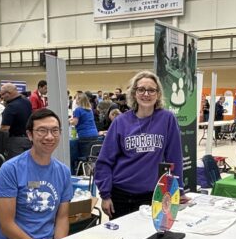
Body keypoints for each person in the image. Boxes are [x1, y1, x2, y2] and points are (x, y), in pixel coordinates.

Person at [94, 71, 182, 219]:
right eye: (141, 89)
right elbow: (104, 161)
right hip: (121, 195)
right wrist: (105, 195)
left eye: (151, 90)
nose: (146, 94)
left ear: (158, 94)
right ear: (134, 93)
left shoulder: (167, 119)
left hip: (152, 196)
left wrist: (178, 190)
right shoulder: (120, 122)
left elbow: (175, 158)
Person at [0, 109, 72, 239]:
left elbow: (62, 218)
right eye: (42, 131)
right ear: (30, 135)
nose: (49, 137)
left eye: (54, 131)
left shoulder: (63, 172)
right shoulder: (11, 169)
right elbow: (6, 224)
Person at [0, 83, 33, 157]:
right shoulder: (27, 101)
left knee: (16, 165)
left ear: (9, 93)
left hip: (16, 141)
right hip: (29, 138)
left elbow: (5, 128)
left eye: (2, 95)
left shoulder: (11, 106)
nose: (2, 97)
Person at [69, 92, 100, 167]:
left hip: (84, 135)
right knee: (91, 156)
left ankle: (85, 172)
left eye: (76, 98)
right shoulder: (90, 110)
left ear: (79, 100)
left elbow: (75, 123)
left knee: (85, 157)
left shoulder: (78, 110)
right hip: (94, 134)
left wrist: (68, 121)